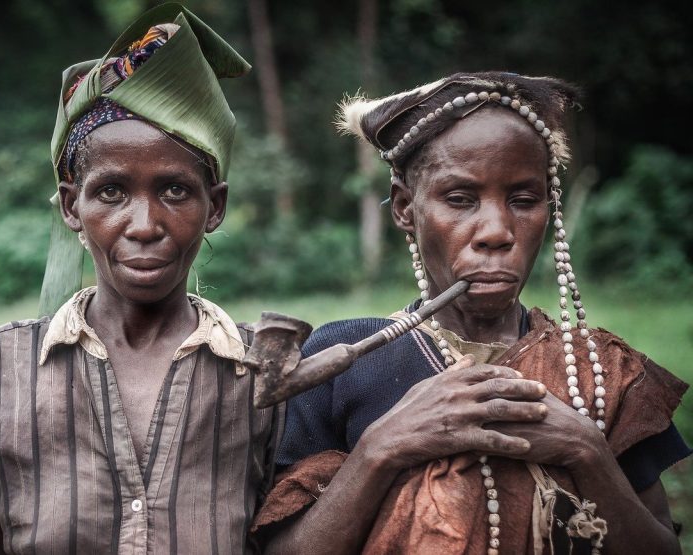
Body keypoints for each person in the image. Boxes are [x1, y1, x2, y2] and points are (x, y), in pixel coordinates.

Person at [0, 4, 283, 554]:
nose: (144, 225)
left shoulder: (266, 373)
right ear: (70, 206)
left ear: (215, 207)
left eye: (175, 190)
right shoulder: (0, 370)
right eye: (110, 192)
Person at [253, 72, 689, 554]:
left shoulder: (605, 374)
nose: (497, 232)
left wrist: (587, 452)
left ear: (550, 206)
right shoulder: (343, 362)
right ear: (404, 208)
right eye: (460, 199)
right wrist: (381, 449)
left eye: (524, 200)